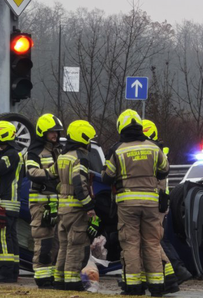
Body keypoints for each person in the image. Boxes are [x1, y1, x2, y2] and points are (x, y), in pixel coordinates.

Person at [103, 110, 170, 296]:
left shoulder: (117, 149)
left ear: (121, 127)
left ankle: (133, 286)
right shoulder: (153, 147)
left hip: (127, 203)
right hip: (151, 203)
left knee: (131, 243)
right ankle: (157, 286)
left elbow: (107, 177)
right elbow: (165, 170)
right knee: (152, 243)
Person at [142, 119, 190, 290]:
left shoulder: (153, 152)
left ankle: (176, 271)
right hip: (159, 201)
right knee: (159, 239)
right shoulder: (158, 151)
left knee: (157, 240)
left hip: (156, 202)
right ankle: (172, 274)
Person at [54, 120, 97, 291]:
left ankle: (59, 278)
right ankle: (72, 281)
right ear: (83, 138)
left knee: (64, 245)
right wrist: (89, 207)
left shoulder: (63, 156)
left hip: (63, 209)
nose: (90, 143)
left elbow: (56, 180)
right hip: (76, 210)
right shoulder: (80, 158)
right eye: (89, 139)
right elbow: (80, 185)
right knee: (76, 245)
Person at [26, 113, 64, 288]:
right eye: (51, 132)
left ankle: (52, 276)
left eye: (56, 132)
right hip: (40, 202)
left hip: (56, 201)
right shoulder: (34, 152)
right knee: (43, 239)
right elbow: (32, 173)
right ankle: (41, 276)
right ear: (42, 132)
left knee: (56, 240)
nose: (55, 135)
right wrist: (52, 172)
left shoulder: (58, 150)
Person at [0, 120, 24, 283]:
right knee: (11, 237)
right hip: (9, 202)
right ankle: (13, 270)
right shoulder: (12, 154)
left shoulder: (11, 154)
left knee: (2, 238)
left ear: (3, 136)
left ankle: (5, 273)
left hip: (6, 202)